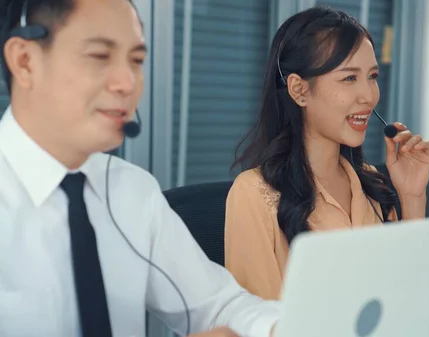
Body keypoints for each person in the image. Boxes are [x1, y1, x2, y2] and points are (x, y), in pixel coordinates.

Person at [0, 0, 279, 336]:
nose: (128, 83)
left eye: (136, 60)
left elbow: (217, 305)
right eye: (100, 56)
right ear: (25, 61)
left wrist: (281, 328)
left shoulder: (131, 190)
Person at [224, 6, 429, 321]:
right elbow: (259, 324)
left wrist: (412, 195)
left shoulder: (370, 182)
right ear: (299, 89)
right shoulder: (253, 194)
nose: (369, 95)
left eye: (372, 77)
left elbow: (404, 295)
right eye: (349, 78)